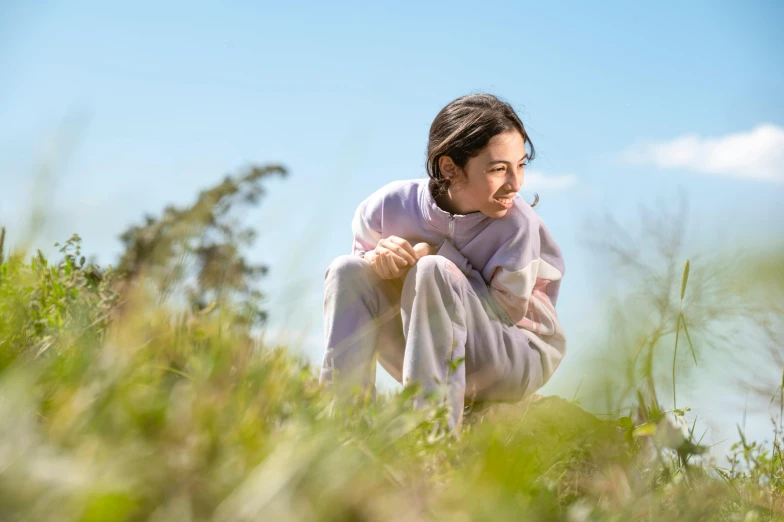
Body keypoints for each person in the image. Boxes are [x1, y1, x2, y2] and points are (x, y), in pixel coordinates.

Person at [320, 93, 567, 434]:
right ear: (450, 167)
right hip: (422, 345)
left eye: (521, 165)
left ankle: (430, 439)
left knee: (432, 271)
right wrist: (379, 261)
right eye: (498, 169)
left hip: (513, 355)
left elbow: (505, 313)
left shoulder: (517, 225)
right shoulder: (389, 205)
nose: (515, 184)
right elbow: (360, 274)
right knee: (346, 270)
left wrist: (432, 257)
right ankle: (340, 425)